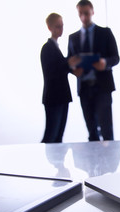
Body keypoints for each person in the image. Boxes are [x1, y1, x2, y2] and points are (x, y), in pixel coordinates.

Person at [67, 0, 120, 141]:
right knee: (92, 132)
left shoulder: (105, 32)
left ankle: (109, 162)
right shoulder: (72, 38)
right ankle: (93, 163)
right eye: (81, 14)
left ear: (92, 11)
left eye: (86, 13)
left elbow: (115, 58)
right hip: (84, 89)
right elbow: (69, 62)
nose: (84, 16)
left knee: (106, 130)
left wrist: (105, 63)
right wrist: (72, 69)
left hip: (103, 87)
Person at [40, 13, 72, 143]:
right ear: (50, 27)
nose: (61, 29)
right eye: (57, 26)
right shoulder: (47, 48)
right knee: (51, 135)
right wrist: (68, 63)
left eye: (62, 26)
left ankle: (57, 163)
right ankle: (42, 162)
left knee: (58, 136)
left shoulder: (56, 47)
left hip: (62, 96)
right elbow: (51, 72)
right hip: (54, 98)